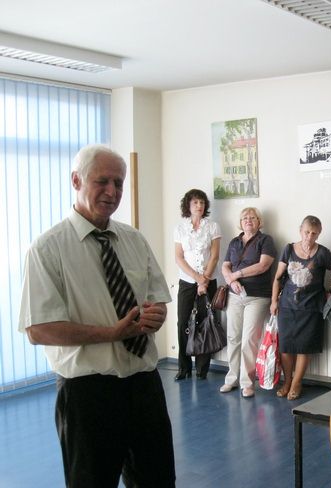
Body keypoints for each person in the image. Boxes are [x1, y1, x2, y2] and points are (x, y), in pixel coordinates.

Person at [18, 145, 175, 487]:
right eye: (102, 181)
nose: (112, 191)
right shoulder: (47, 249)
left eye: (118, 183)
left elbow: (157, 299)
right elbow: (39, 329)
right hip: (88, 395)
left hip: (144, 384)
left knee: (159, 481)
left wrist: (157, 315)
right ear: (76, 180)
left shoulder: (133, 239)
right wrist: (111, 334)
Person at [270, 215, 331, 400]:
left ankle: (297, 383)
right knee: (286, 347)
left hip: (312, 307)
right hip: (287, 306)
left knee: (304, 348)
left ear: (319, 234)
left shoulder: (323, 253)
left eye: (314, 233)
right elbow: (278, 277)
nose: (309, 236)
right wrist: (274, 301)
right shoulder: (288, 249)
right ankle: (287, 382)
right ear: (300, 230)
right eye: (306, 232)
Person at [220, 207, 276, 398]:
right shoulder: (234, 242)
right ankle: (231, 379)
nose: (248, 220)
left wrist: (237, 274)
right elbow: (225, 266)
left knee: (249, 340)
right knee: (233, 338)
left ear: (259, 221)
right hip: (235, 296)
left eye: (252, 217)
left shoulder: (265, 240)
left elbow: (263, 265)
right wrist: (231, 281)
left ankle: (247, 383)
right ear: (240, 222)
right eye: (245, 218)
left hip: (258, 297)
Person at [173, 189, 221, 380]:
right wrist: (197, 277)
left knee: (205, 322)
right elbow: (179, 257)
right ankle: (183, 367)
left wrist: (205, 280)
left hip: (208, 281)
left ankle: (202, 369)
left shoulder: (213, 227)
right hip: (187, 282)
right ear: (188, 205)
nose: (199, 206)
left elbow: (215, 256)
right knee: (183, 323)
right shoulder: (179, 228)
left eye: (202, 202)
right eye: (195, 202)